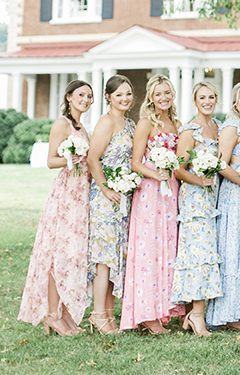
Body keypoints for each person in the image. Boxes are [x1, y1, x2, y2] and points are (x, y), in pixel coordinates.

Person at [18, 80, 94, 336]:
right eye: (81, 95)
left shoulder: (82, 126)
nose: (86, 99)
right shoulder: (62, 124)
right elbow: (51, 160)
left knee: (72, 254)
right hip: (66, 195)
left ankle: (64, 313)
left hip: (82, 193)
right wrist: (69, 158)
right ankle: (52, 315)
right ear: (69, 97)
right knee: (58, 254)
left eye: (89, 96)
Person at [120, 74, 184, 333]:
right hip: (149, 192)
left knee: (168, 248)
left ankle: (163, 309)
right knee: (149, 249)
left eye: (167, 93)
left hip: (171, 191)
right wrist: (154, 173)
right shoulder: (145, 123)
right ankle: (146, 313)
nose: (163, 98)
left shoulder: (176, 123)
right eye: (158, 94)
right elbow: (135, 162)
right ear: (150, 97)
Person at [206, 82, 240, 331]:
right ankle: (228, 316)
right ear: (234, 101)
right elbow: (220, 164)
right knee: (232, 250)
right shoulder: (231, 126)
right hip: (234, 194)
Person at [172, 81, 223, 336]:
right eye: (202, 97)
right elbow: (179, 169)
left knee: (205, 249)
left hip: (212, 197)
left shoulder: (218, 127)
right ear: (195, 100)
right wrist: (200, 180)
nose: (207, 101)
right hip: (194, 197)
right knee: (198, 253)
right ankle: (197, 315)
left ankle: (191, 314)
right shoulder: (189, 130)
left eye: (211, 97)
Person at [85, 75, 135, 335]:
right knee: (104, 259)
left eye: (128, 94)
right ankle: (97, 314)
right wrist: (105, 188)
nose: (124, 99)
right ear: (108, 97)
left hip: (123, 198)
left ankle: (109, 315)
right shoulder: (105, 122)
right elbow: (93, 159)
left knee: (118, 256)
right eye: (119, 95)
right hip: (105, 199)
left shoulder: (129, 123)